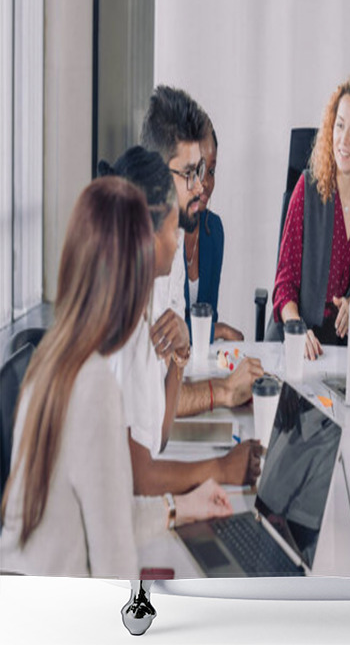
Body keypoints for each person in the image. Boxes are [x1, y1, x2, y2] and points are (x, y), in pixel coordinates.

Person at [0, 178, 232, 578]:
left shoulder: (53, 358)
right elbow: (115, 570)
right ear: (132, 278)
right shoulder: (93, 386)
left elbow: (108, 516)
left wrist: (181, 508)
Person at [100, 147, 262, 496]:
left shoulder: (142, 307)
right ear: (147, 234)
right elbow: (139, 478)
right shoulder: (127, 329)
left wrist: (180, 354)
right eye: (173, 230)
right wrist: (222, 469)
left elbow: (157, 436)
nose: (177, 246)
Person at [141, 85, 262, 414]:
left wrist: (182, 353)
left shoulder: (177, 240)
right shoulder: (131, 260)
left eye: (205, 172)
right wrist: (223, 390)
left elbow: (166, 388)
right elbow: (151, 402)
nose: (201, 185)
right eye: (190, 173)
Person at [269, 79, 350, 360]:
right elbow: (284, 284)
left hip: (345, 341)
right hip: (301, 333)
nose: (343, 140)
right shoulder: (307, 189)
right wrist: (296, 328)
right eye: (339, 126)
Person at [182, 124, 244, 343]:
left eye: (211, 171)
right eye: (197, 170)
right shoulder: (163, 234)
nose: (206, 183)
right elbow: (164, 329)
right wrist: (222, 331)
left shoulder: (213, 230)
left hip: (196, 360)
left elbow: (209, 318)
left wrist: (215, 331)